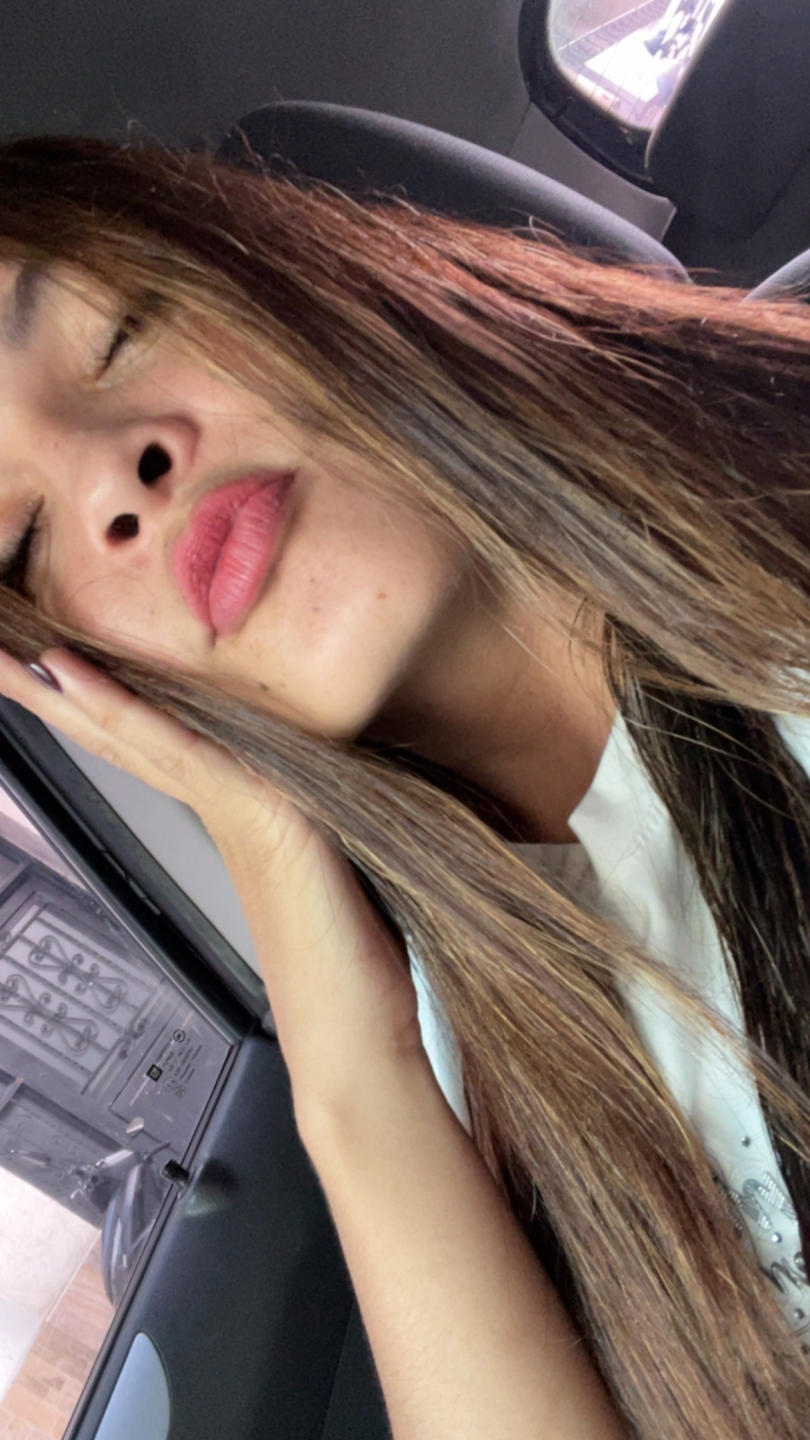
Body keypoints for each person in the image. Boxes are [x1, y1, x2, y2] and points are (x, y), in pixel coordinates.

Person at [0, 133, 809, 1440]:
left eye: (117, 332)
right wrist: (341, 1044)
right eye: (23, 538)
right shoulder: (464, 1038)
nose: (107, 477)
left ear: (275, 262)